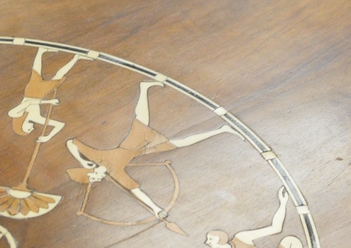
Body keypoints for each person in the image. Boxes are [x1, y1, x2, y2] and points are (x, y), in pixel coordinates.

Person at [64, 81, 241, 234]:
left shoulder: (95, 157)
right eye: (96, 180)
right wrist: (156, 209)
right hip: (141, 150)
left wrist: (82, 161)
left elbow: (71, 142)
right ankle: (221, 130)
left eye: (93, 177)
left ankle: (144, 88)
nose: (99, 179)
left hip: (132, 144)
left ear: (90, 171)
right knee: (178, 143)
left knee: (142, 119)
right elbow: (136, 192)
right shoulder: (115, 174)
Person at [8, 47, 86, 140]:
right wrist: (47, 137)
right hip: (41, 94)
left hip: (32, 92)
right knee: (45, 74)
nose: (32, 128)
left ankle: (43, 51)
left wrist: (49, 102)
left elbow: (28, 102)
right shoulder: (36, 118)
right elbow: (60, 124)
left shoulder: (14, 114)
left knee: (40, 73)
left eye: (28, 130)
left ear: (21, 127)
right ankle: (75, 57)